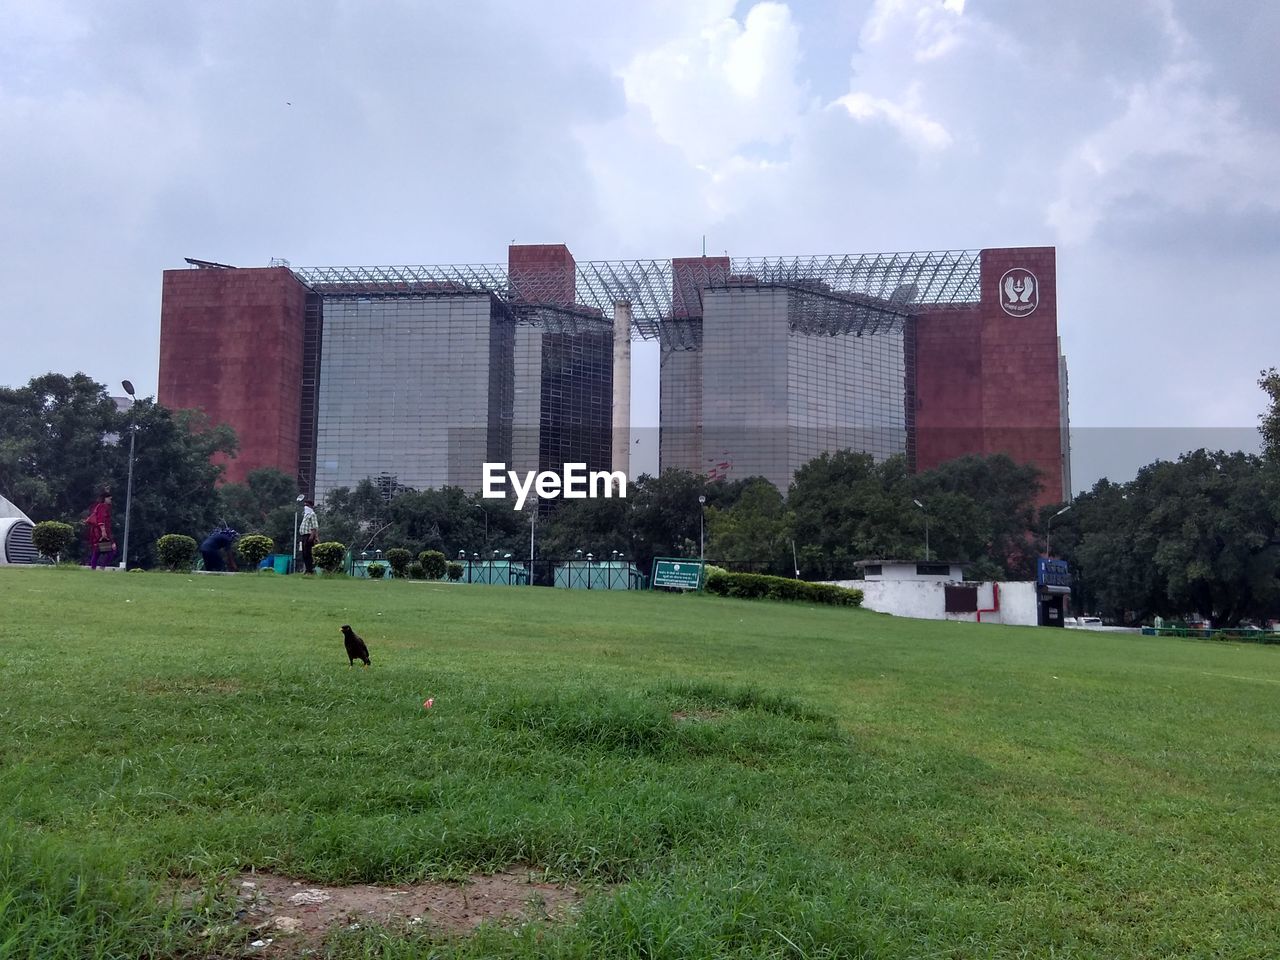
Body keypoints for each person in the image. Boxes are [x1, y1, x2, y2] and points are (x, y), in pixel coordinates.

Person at [84, 491, 116, 569]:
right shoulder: (102, 506)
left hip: (98, 532)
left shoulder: (101, 506)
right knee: (112, 550)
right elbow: (100, 519)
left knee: (97, 551)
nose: (110, 500)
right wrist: (103, 531)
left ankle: (94, 568)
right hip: (100, 532)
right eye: (109, 499)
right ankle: (101, 567)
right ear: (105, 499)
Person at [299, 499, 319, 574]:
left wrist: (313, 536)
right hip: (304, 535)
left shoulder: (312, 514)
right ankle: (307, 569)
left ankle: (310, 570)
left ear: (310, 506)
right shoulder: (305, 514)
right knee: (304, 553)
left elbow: (315, 526)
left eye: (307, 505)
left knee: (308, 553)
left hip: (309, 535)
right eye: (304, 505)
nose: (305, 507)